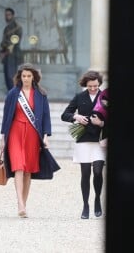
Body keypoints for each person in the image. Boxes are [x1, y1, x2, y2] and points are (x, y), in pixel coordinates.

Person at [0, 63, 51, 218]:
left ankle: (24, 203)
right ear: (20, 77)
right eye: (24, 76)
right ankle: (20, 203)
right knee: (18, 166)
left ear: (34, 77)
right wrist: (3, 138)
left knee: (28, 170)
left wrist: (46, 136)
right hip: (15, 131)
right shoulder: (13, 94)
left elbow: (46, 116)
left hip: (33, 134)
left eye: (29, 76)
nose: (26, 79)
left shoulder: (41, 94)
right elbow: (6, 116)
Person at [61, 70, 106, 219]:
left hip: (100, 140)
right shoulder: (80, 97)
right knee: (85, 174)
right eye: (90, 86)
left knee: (98, 172)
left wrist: (102, 123)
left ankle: (97, 199)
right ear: (85, 85)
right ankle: (85, 206)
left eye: (95, 86)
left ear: (99, 84)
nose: (93, 88)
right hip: (84, 139)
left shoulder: (105, 97)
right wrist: (76, 116)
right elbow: (65, 114)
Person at [0, 7, 23, 91]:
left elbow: (14, 41)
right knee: (7, 77)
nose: (7, 17)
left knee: (11, 77)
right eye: (6, 15)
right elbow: (3, 41)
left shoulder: (17, 27)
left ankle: (14, 96)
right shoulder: (7, 28)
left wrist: (5, 51)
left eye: (9, 15)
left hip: (13, 55)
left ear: (13, 15)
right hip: (6, 55)